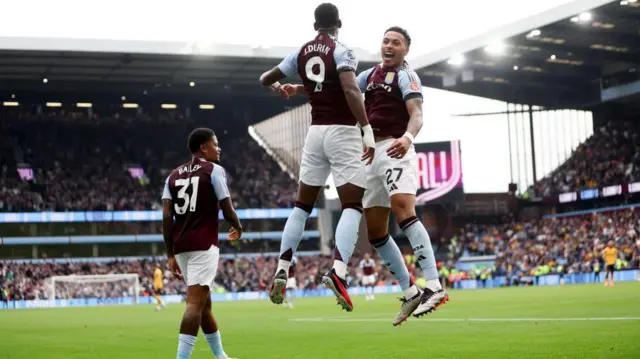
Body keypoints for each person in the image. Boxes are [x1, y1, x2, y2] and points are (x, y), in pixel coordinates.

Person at [259, 2, 375, 312]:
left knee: (301, 206)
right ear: (339, 23)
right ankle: (338, 273)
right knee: (352, 204)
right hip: (343, 132)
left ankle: (283, 266)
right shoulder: (342, 50)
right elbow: (350, 89)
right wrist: (366, 128)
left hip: (315, 134)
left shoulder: (300, 52)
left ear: (315, 26)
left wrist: (287, 88)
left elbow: (265, 78)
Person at [356, 27, 449, 325]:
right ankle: (410, 292)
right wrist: (299, 89)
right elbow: (341, 89)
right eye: (385, 40)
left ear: (405, 50)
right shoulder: (368, 76)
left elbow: (417, 113)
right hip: (371, 154)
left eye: (396, 42)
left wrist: (408, 138)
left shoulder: (407, 76)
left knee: (403, 210)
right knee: (375, 232)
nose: (389, 46)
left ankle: (434, 285)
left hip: (397, 148)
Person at [162, 128, 242, 359]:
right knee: (195, 303)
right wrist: (238, 226)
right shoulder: (214, 170)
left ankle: (220, 356)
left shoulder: (172, 176)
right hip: (204, 245)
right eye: (215, 144)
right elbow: (227, 207)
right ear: (204, 148)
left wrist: (170, 254)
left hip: (181, 247)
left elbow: (167, 217)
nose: (219, 148)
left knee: (204, 304)